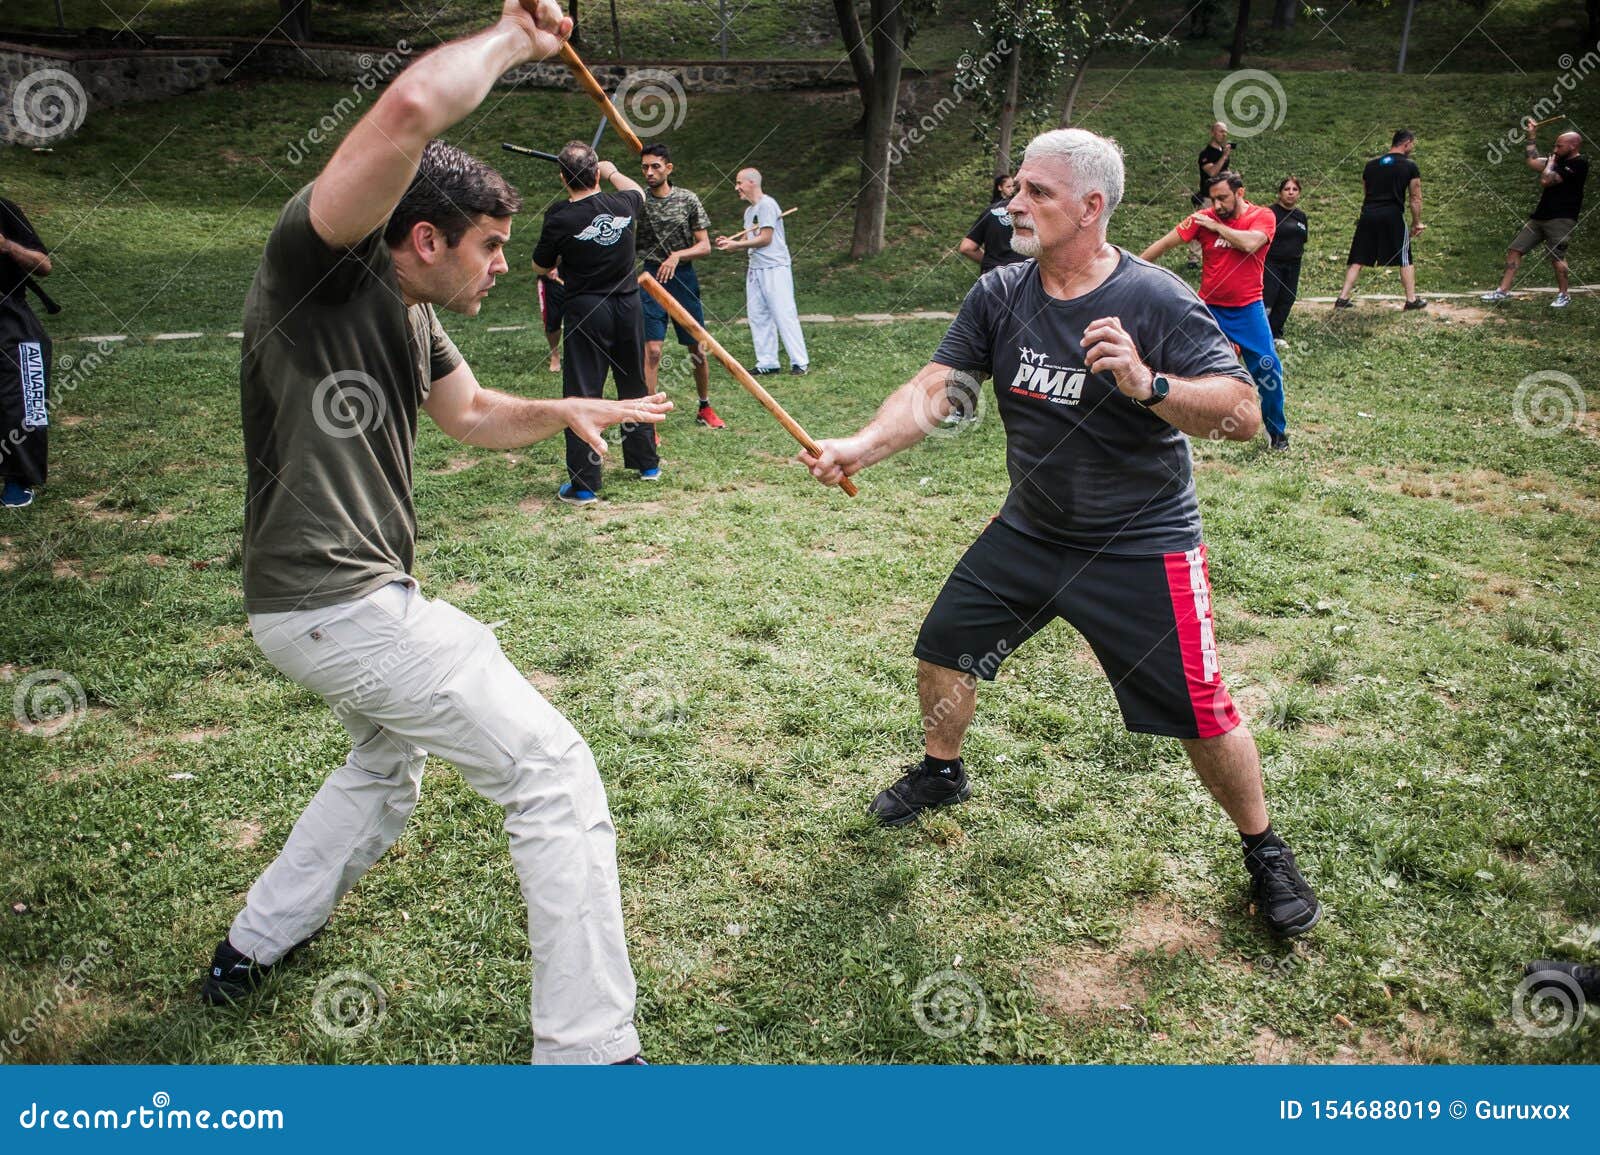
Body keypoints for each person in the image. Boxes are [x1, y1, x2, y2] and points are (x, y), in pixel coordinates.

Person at [207, 1, 669, 1068]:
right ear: (424, 237)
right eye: (492, 247)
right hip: (336, 600)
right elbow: (411, 105)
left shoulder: (411, 315)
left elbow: (469, 418)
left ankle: (251, 946)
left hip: (323, 606)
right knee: (551, 773)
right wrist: (518, 38)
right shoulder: (322, 265)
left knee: (386, 764)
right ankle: (591, 1061)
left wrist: (562, 413)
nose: (505, 265)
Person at [799, 128, 1323, 939]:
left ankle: (1264, 850)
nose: (1015, 203)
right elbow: (941, 388)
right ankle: (942, 773)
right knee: (944, 645)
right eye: (1018, 189)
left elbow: (1243, 413)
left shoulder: (1153, 299)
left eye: (1036, 192)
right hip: (1034, 528)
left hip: (1141, 541)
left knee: (1201, 710)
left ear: (1090, 207)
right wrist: (858, 447)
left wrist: (1149, 384)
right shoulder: (1000, 293)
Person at [532, 141, 660, 504]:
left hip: (588, 310)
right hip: (627, 305)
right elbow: (637, 191)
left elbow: (541, 265)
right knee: (634, 381)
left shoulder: (560, 216)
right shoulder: (623, 204)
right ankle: (647, 463)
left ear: (562, 177)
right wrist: (612, 171)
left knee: (583, 391)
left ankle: (584, 484)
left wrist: (557, 264)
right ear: (595, 173)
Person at [1142, 171, 1289, 451]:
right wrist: (1129, 269)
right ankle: (1169, 429)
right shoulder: (1203, 219)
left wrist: (1215, 226)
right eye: (1213, 199)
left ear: (1240, 193)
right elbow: (1164, 244)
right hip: (1208, 309)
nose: (1217, 205)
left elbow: (1249, 244)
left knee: (1269, 369)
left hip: (1248, 310)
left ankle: (1277, 433)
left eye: (1223, 198)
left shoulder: (1263, 217)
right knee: (1179, 368)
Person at [636, 142, 724, 427]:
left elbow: (705, 246)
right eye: (645, 167)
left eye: (655, 166)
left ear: (668, 168)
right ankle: (649, 419)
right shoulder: (638, 202)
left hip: (683, 278)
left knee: (697, 347)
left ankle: (704, 407)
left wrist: (677, 256)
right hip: (651, 281)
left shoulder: (687, 200)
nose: (649, 172)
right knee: (652, 350)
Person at [715, 168, 808, 376]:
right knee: (758, 315)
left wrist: (736, 245)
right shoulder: (750, 211)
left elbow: (766, 238)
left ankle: (800, 362)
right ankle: (767, 362)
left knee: (784, 313)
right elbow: (750, 241)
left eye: (739, 183)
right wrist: (729, 244)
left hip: (775, 267)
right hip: (755, 268)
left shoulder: (768, 204)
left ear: (752, 183)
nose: (736, 187)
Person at [1482, 126, 1586, 308]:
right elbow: (1532, 161)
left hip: (1561, 218)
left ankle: (1564, 294)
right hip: (1540, 217)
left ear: (1573, 146)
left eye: (1559, 146)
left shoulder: (1579, 164)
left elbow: (1546, 180)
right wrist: (1531, 137)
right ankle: (1502, 291)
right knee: (1516, 249)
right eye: (1555, 146)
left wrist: (1551, 164)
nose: (1555, 150)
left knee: (1556, 256)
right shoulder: (1556, 161)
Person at [0, 195, 54, 509]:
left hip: (10, 317)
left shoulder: (5, 210)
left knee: (24, 397)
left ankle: (18, 478)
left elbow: (44, 265)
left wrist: (8, 246)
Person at [1335, 130, 1425, 311]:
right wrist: (1417, 222)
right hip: (1392, 214)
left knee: (1358, 256)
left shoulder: (1371, 165)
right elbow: (1415, 198)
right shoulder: (1410, 166)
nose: (1412, 148)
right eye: (1412, 144)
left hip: (1368, 213)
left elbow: (1366, 191)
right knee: (1405, 257)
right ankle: (1411, 300)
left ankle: (1342, 298)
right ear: (1406, 143)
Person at [1262, 176, 1308, 345]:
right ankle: (1261, 334)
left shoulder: (1301, 216)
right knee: (1269, 297)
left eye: (1294, 190)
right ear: (1280, 193)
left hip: (1294, 263)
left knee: (1287, 298)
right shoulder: (1270, 213)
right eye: (1287, 189)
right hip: (1272, 262)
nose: (1290, 193)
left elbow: (1303, 238)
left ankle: (1276, 334)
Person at [959, 174, 1025, 273]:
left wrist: (991, 263)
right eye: (1008, 186)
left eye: (1013, 186)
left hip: (992, 275)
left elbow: (967, 247)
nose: (1011, 189)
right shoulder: (1036, 212)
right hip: (1025, 275)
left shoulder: (989, 211)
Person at [1191, 121, 1235, 267]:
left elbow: (1222, 172)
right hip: (1208, 197)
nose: (1224, 134)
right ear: (1213, 133)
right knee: (1200, 226)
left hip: (1224, 196)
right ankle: (1194, 258)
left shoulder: (1222, 151)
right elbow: (1212, 172)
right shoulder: (1206, 154)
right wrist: (1224, 156)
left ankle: (1223, 255)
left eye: (1225, 132)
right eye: (1221, 131)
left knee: (1226, 224)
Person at [537, 264, 564, 372]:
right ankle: (554, 354)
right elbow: (540, 259)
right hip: (551, 281)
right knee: (552, 321)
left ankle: (580, 355)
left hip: (579, 277)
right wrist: (546, 268)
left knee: (583, 320)